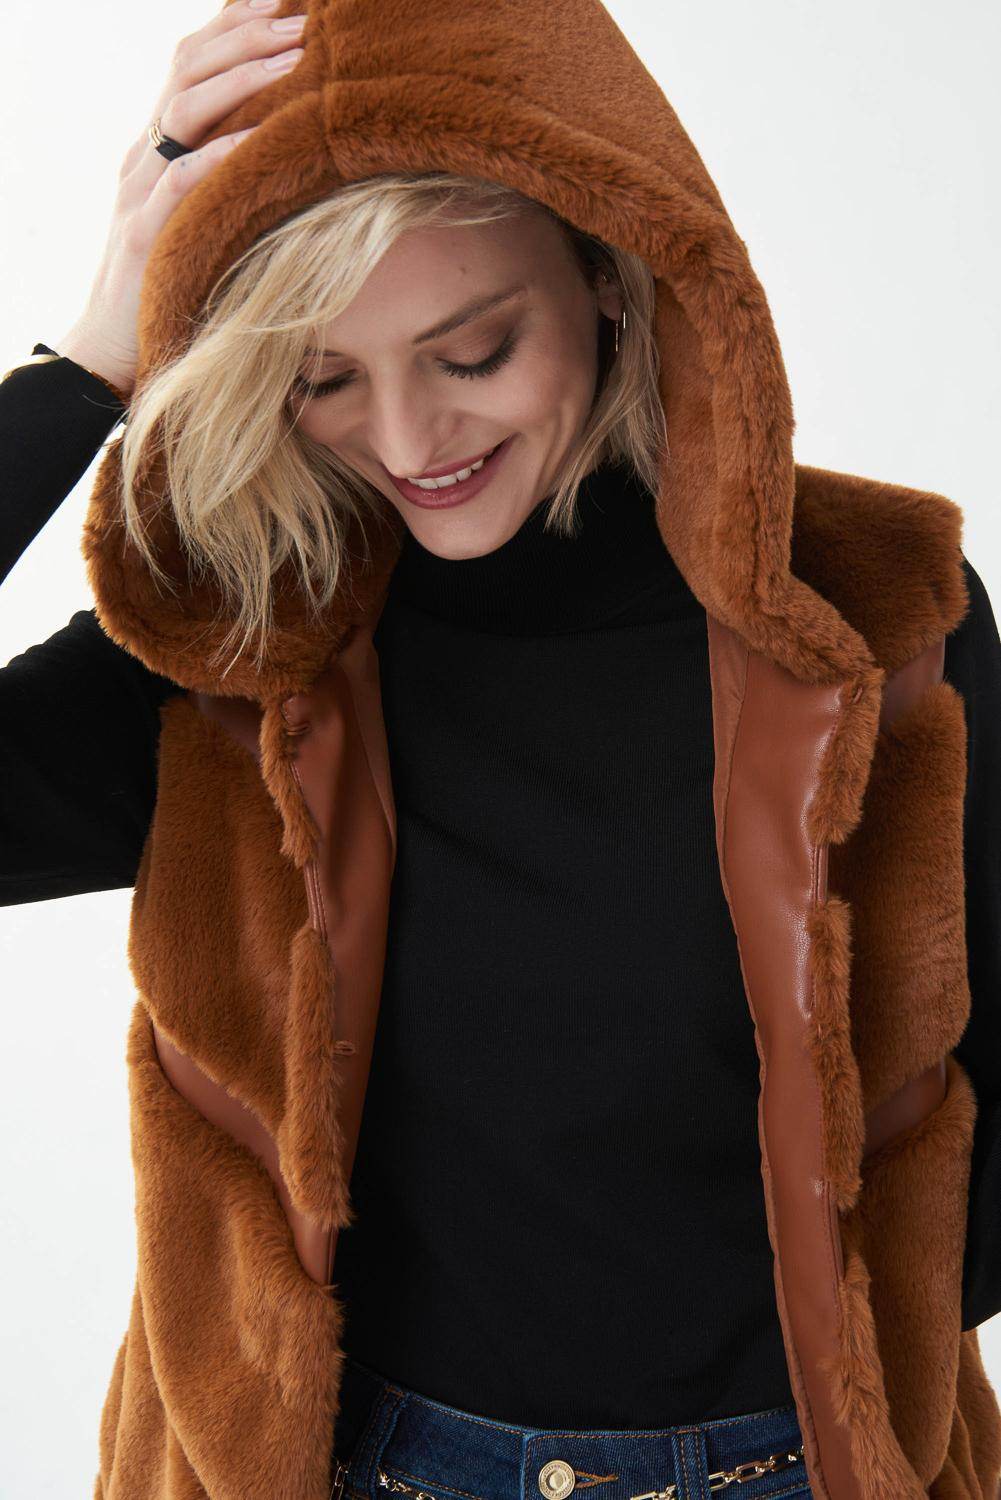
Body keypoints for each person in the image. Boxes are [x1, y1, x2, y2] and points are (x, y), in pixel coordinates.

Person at [2, 2, 999, 1498]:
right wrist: (86, 361)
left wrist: (876, 1345)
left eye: (471, 351)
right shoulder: (238, 648)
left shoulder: (868, 610)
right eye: (321, 378)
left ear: (609, 270)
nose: (410, 441)